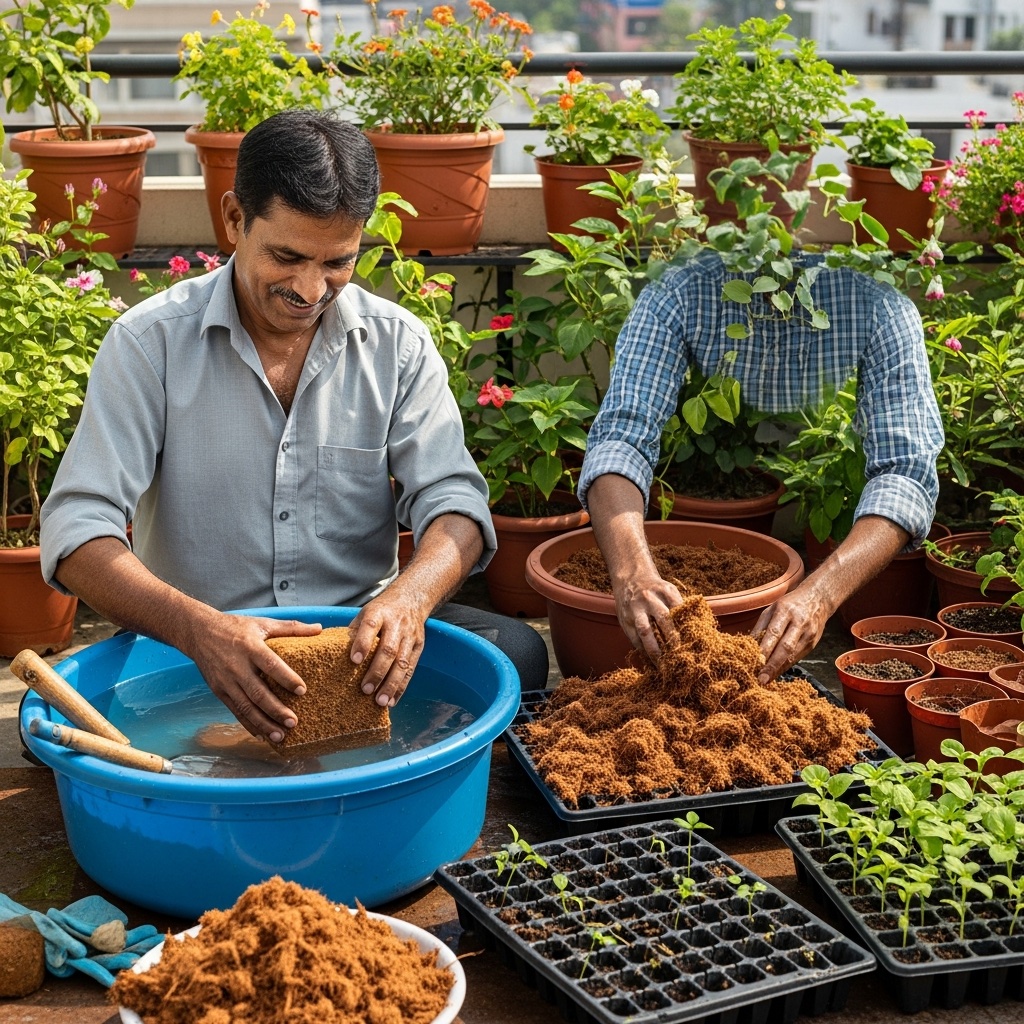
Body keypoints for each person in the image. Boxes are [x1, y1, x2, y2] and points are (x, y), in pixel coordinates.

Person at [39, 109, 548, 745]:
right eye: (287, 256)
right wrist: (201, 631)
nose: (311, 289)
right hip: (194, 649)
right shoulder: (149, 345)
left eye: (339, 262)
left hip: (356, 654)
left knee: (520, 656)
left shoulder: (398, 344)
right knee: (59, 730)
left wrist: (407, 601)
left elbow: (456, 506)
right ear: (232, 220)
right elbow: (76, 531)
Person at [578, 248, 943, 683]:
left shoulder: (879, 302)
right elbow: (621, 439)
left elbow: (905, 473)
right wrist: (632, 572)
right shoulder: (678, 290)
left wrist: (819, 597)